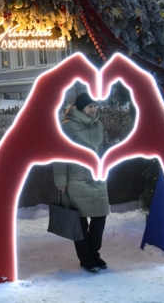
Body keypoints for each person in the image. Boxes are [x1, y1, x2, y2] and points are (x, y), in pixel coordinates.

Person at [53, 92, 110, 273]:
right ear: (80, 108)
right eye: (89, 106)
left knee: (100, 217)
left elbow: (102, 150)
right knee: (80, 222)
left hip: (98, 178)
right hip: (77, 179)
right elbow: (60, 154)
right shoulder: (68, 127)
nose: (93, 109)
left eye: (95, 106)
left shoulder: (98, 125)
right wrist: (60, 180)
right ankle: (86, 259)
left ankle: (94, 253)